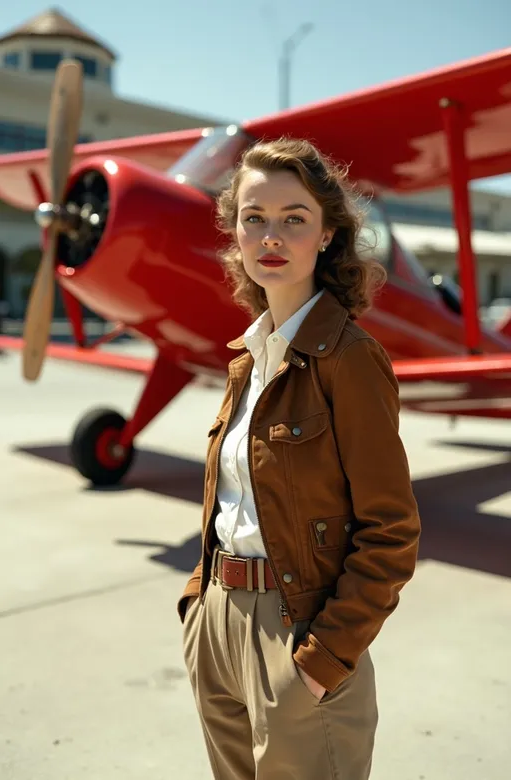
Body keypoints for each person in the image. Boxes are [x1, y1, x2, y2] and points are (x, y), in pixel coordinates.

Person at [177, 137, 421, 780]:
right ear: (234, 231)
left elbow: (391, 533)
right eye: (254, 217)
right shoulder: (247, 361)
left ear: (327, 236)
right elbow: (230, 504)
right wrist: (197, 610)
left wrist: (319, 664)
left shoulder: (348, 358)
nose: (271, 235)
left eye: (294, 218)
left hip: (298, 634)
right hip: (219, 629)